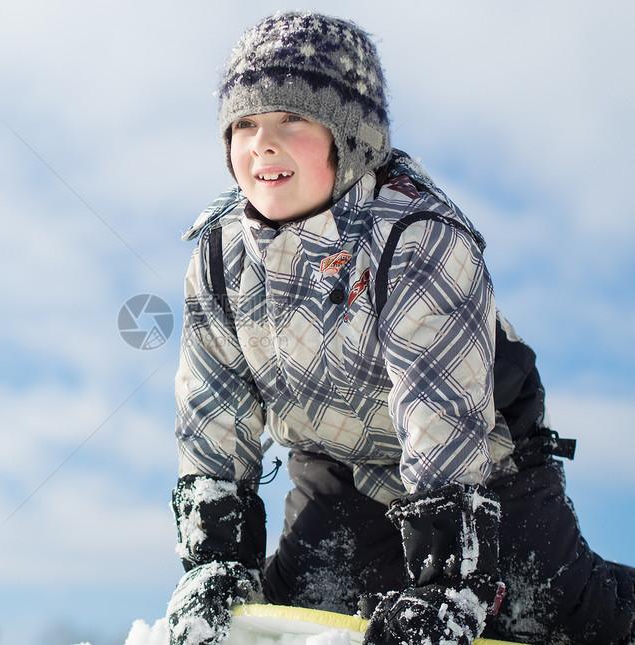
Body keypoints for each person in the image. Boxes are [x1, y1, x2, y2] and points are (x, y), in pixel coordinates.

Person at [166, 11, 635, 645]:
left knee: (555, 616)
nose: (263, 144)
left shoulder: (414, 240)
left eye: (292, 119)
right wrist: (215, 560)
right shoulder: (221, 256)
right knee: (297, 610)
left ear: (350, 136)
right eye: (245, 123)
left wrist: (447, 587)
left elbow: (443, 415)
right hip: (341, 467)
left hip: (483, 466)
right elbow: (213, 409)